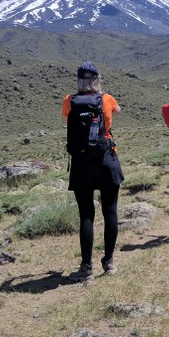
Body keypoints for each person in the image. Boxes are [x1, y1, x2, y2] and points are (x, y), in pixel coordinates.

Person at [62, 61, 123, 281]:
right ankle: (108, 262)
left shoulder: (69, 101)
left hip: (81, 163)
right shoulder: (106, 99)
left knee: (86, 215)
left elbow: (67, 120)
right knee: (110, 212)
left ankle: (86, 268)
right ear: (97, 79)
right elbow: (117, 110)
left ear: (78, 80)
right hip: (106, 160)